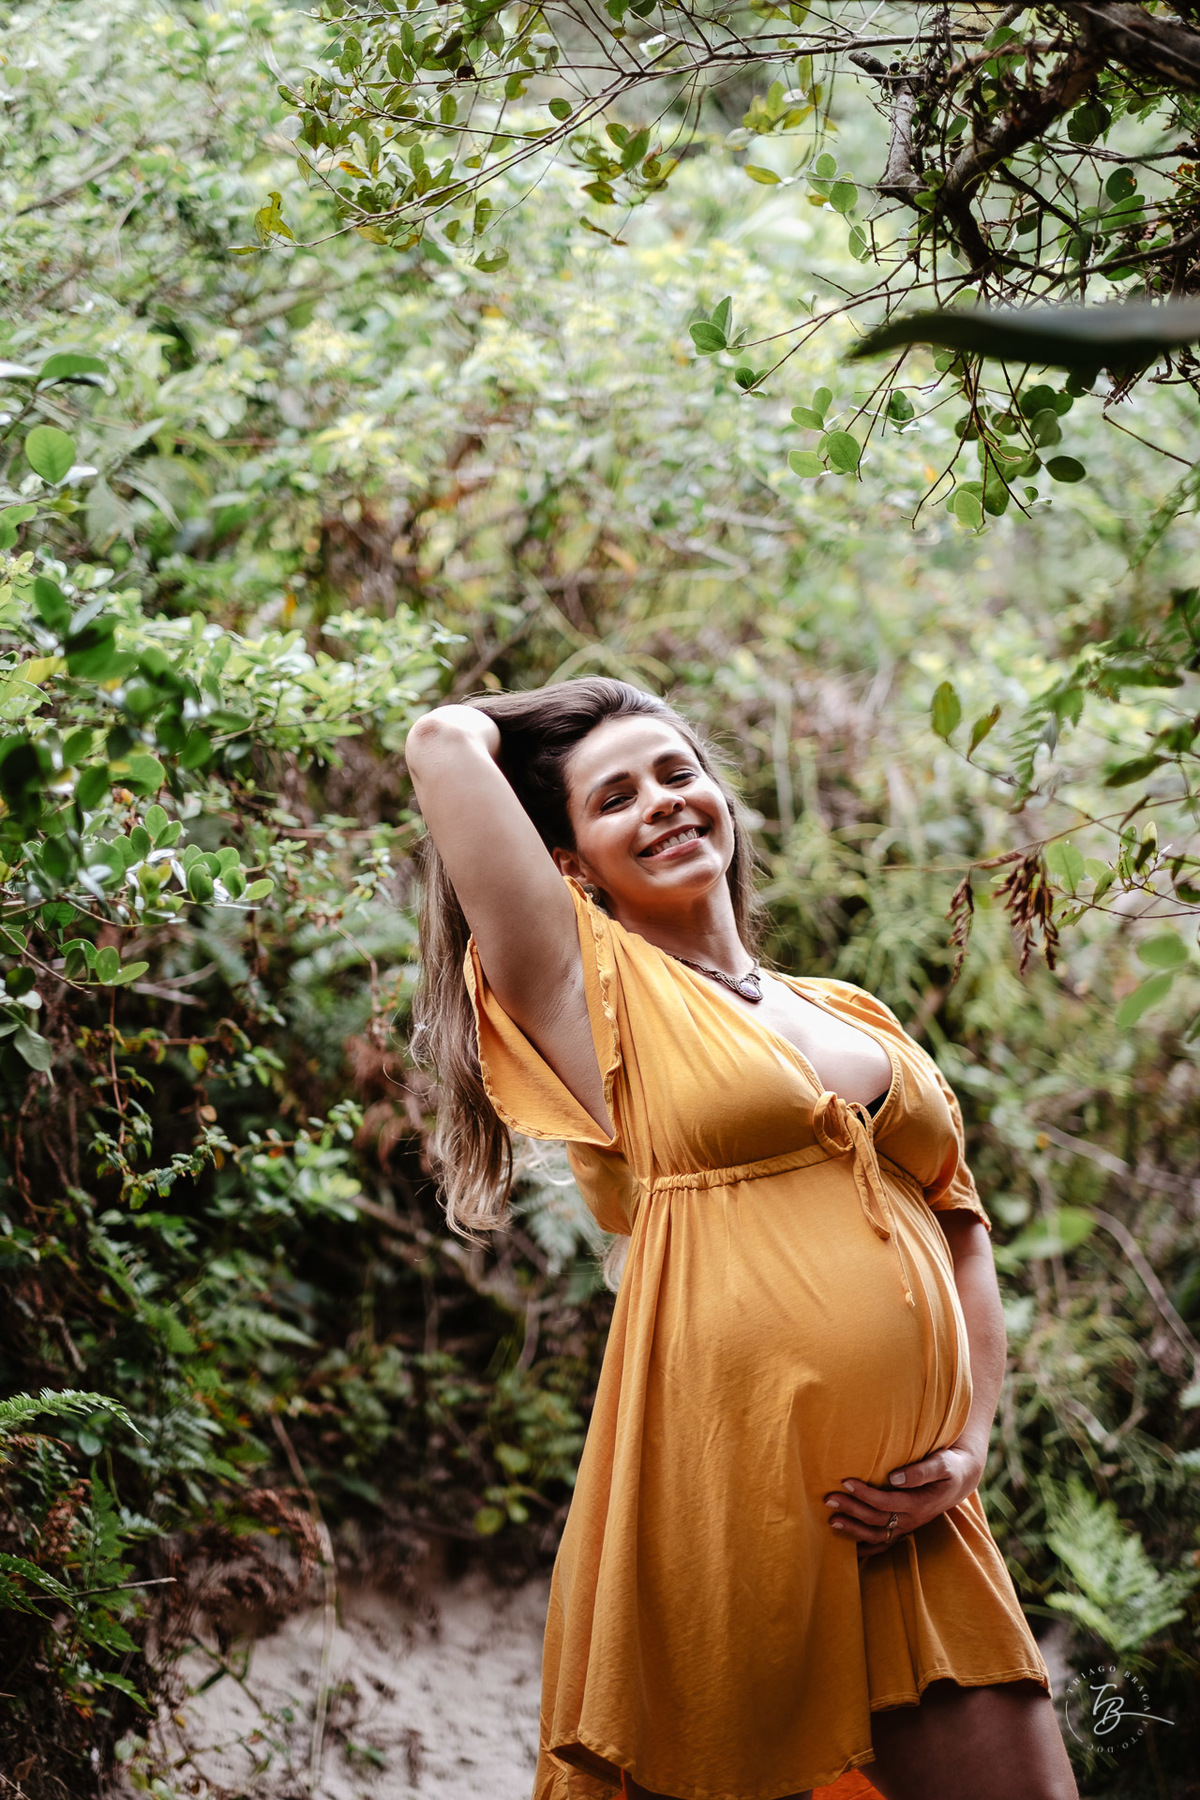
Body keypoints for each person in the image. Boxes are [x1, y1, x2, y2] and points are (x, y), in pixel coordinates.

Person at [405, 677, 1077, 1800]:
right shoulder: (591, 993)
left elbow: (961, 1231)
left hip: (910, 1521)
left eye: (678, 772)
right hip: (729, 1499)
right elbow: (441, 739)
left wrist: (965, 1450)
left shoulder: (853, 1010)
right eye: (615, 797)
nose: (662, 801)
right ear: (570, 865)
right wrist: (603, 700)